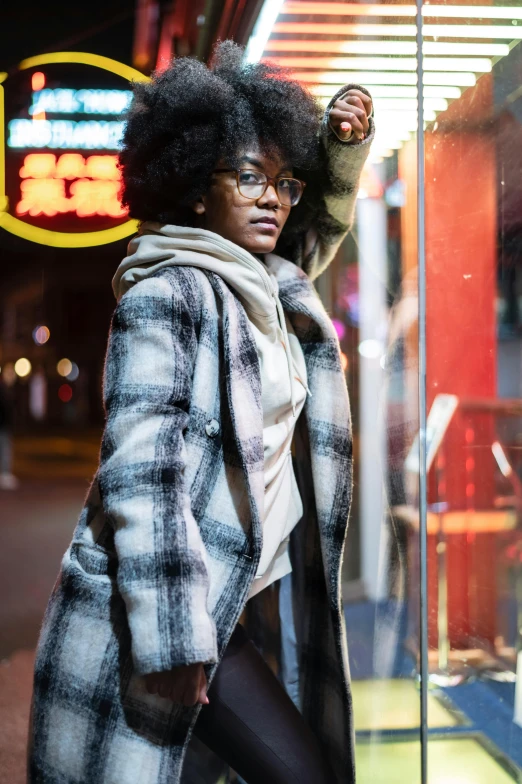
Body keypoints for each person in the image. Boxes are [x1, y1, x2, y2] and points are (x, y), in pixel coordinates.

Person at [28, 42, 374, 784]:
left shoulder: (266, 288)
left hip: (233, 595)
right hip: (171, 606)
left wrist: (340, 153)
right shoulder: (170, 294)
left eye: (284, 182)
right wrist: (177, 641)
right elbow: (142, 473)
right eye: (248, 177)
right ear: (192, 186)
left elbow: (312, 238)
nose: (271, 199)